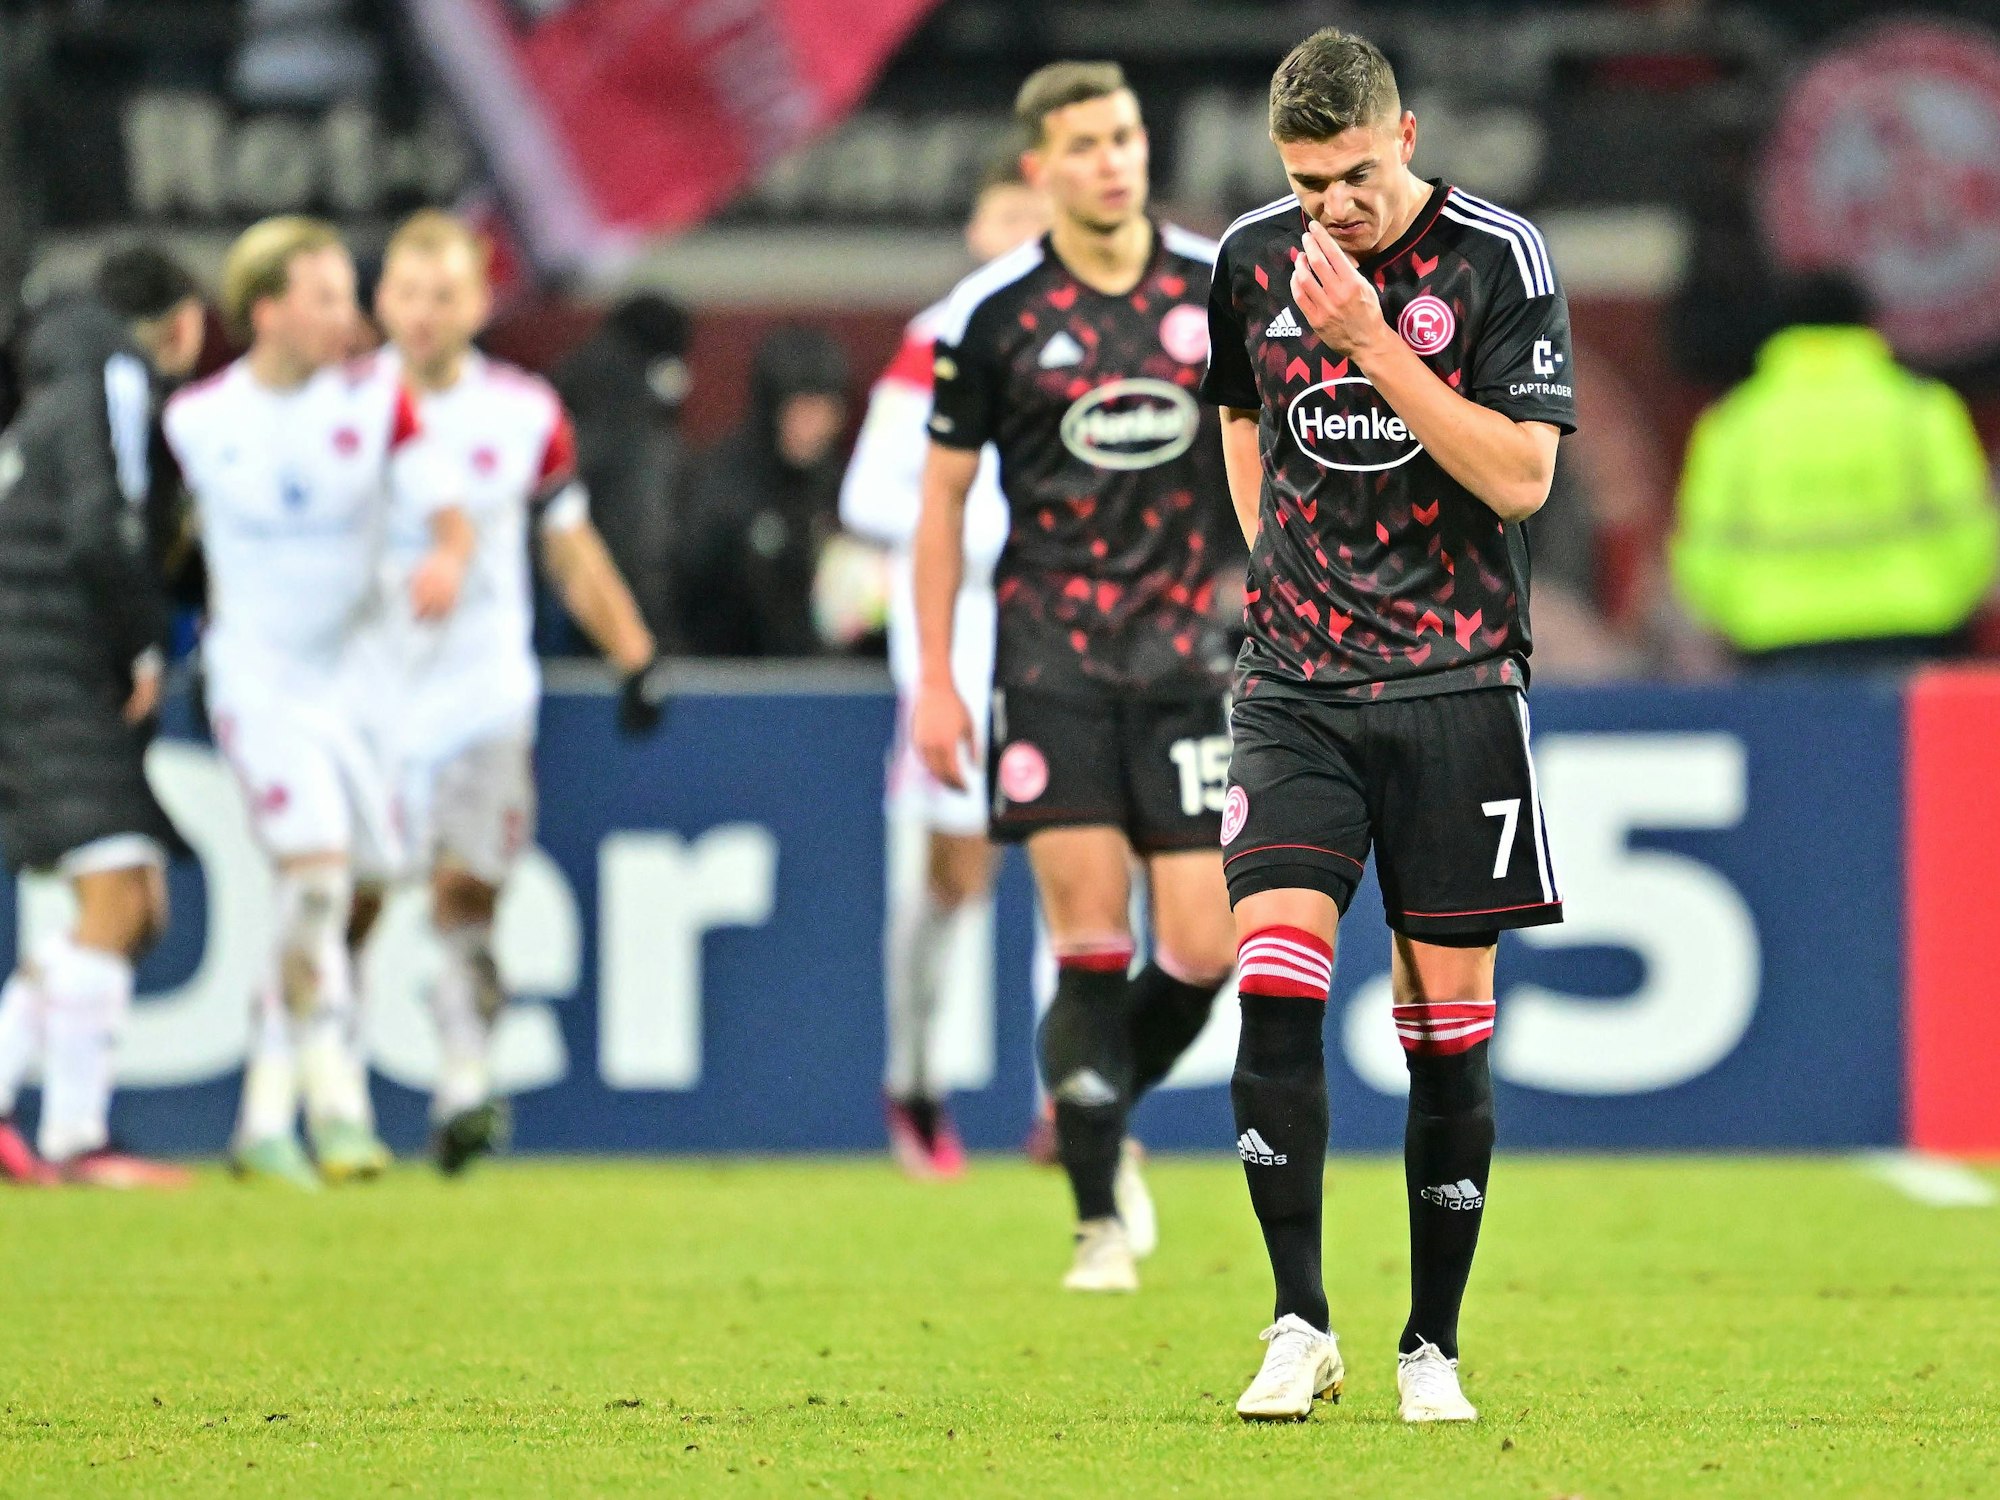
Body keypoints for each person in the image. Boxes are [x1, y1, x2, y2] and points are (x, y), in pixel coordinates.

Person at [1200, 29, 1574, 1422]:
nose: (1331, 210)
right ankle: (1298, 1322)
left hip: (1457, 689)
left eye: (1353, 175)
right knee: (1278, 986)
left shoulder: (1499, 260)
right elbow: (1240, 418)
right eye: (1306, 186)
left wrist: (1370, 343)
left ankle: (1432, 1345)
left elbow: (1522, 476)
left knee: (1443, 1028)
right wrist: (1277, 565)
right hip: (1295, 688)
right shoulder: (1247, 259)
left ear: (1405, 136)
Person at [913, 62, 1243, 1292]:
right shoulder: (991, 317)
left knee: (1205, 947)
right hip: (1048, 662)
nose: (1114, 160)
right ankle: (1098, 1216)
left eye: (1126, 137)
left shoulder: (1217, 289)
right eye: (1087, 143)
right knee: (1090, 943)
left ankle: (1098, 1105)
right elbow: (940, 506)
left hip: (1187, 663)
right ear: (1038, 167)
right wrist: (936, 685)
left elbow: (1269, 448)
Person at [163, 216, 473, 1189]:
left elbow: (450, 517)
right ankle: (336, 1101)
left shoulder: (380, 403)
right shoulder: (196, 422)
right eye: (327, 297)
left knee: (360, 890)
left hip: (357, 689)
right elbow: (155, 545)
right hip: (255, 681)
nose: (350, 317)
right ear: (268, 311)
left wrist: (449, 560)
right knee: (317, 881)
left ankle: (261, 1116)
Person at [367, 209, 667, 1173]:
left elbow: (567, 543)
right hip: (365, 694)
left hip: (485, 692)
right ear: (381, 302)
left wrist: (634, 653)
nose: (423, 314)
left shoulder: (525, 412)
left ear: (480, 301)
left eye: (443, 294)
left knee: (468, 888)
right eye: (408, 294)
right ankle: (312, 1085)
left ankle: (462, 1078)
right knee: (352, 902)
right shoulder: (341, 408)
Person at [839, 154, 1049, 1178]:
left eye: (1036, 213)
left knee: (1079, 853)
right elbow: (867, 497)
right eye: (1005, 212)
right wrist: (978, 537)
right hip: (954, 628)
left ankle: (1074, 1096)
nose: (1022, 230)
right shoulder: (934, 343)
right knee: (953, 878)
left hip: (1066, 629)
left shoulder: (1086, 335)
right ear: (975, 230)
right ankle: (915, 1075)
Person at [0, 247, 208, 1187]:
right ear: (179, 322)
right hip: (50, 660)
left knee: (136, 905)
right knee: (118, 892)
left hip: (33, 656)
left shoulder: (45, 387)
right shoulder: (114, 376)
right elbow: (101, 527)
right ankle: (79, 1141)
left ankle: (57, 1124)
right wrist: (142, 647)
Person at [1671, 274, 1997, 670]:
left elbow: (1702, 548)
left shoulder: (1735, 422)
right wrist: (1948, 598)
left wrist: (1740, 611)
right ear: (1869, 324)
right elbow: (1972, 530)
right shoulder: (1922, 410)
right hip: (1911, 629)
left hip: (1775, 636)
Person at [676, 326, 852, 656]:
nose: (812, 427)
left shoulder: (848, 491)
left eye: (824, 412)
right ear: (771, 410)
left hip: (828, 684)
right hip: (732, 678)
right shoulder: (720, 486)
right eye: (800, 411)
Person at [550, 293, 695, 651]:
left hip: (550, 615)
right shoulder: (642, 432)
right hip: (620, 627)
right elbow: (643, 541)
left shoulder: (562, 394)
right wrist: (655, 642)